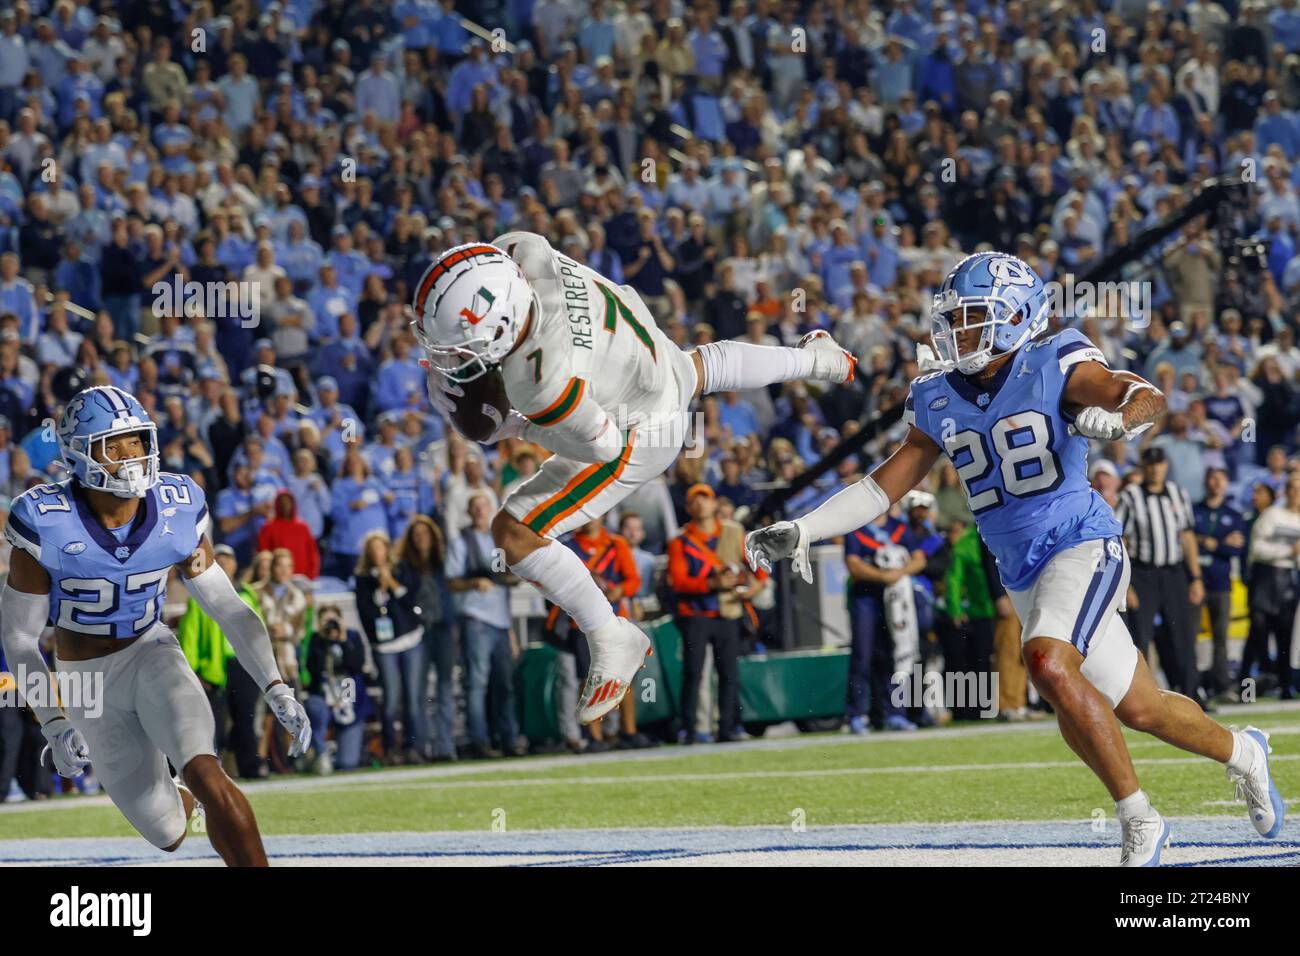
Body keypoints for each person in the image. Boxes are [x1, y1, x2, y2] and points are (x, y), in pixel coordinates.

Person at [746, 252, 1285, 866]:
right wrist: (806, 527)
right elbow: (884, 485)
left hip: (1082, 541)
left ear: (1017, 316)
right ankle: (1244, 752)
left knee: (1048, 665)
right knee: (1141, 707)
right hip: (1022, 568)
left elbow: (1138, 391)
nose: (958, 332)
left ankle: (1140, 818)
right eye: (953, 319)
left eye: (974, 318)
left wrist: (1123, 419)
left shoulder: (1053, 359)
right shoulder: (936, 393)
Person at [417, 233, 855, 726]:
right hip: (638, 342)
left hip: (641, 433)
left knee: (514, 533)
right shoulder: (521, 249)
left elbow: (601, 446)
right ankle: (819, 359)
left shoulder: (537, 382)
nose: (448, 357)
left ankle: (610, 635)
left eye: (456, 348)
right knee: (695, 368)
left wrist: (511, 427)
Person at [0, 386, 309, 865]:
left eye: (138, 441)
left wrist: (275, 685)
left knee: (208, 771)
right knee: (167, 832)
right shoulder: (45, 521)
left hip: (152, 652)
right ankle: (181, 795)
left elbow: (227, 605)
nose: (132, 456)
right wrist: (55, 723)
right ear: (79, 453)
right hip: (86, 681)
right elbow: (20, 638)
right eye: (114, 445)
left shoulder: (177, 506)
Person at [667, 484, 765, 743]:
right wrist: (712, 584)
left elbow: (758, 565)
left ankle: (728, 727)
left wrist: (755, 586)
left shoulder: (733, 531)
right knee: (693, 673)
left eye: (705, 499)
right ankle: (689, 729)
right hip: (696, 614)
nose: (701, 504)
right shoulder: (680, 540)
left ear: (714, 504)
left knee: (729, 674)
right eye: (695, 500)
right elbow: (678, 581)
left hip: (728, 610)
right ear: (688, 508)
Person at [1115, 446, 1202, 701]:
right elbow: (1118, 537)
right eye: (1150, 464)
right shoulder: (1131, 496)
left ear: (1165, 465)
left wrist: (1195, 577)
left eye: (1159, 464)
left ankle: (1191, 693)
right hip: (1143, 574)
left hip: (1173, 572)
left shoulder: (1178, 493)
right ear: (1144, 467)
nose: (1155, 469)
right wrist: (1126, 584)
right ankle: (1140, 697)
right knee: (1140, 635)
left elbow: (1187, 536)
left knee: (1182, 634)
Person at [447, 493, 525, 758]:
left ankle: (508, 739)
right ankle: (479, 741)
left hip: (501, 621)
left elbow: (508, 581)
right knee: (477, 684)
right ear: (470, 512)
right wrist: (474, 584)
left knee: (504, 684)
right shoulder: (461, 541)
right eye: (475, 507)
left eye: (484, 506)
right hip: (476, 618)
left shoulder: (500, 542)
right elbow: (452, 582)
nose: (480, 511)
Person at [354, 529, 428, 765]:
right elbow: (366, 613)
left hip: (410, 639)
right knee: (391, 697)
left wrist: (391, 582)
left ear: (387, 549)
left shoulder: (402, 569)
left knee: (413, 696)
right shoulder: (363, 580)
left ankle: (413, 746)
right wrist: (379, 588)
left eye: (381, 547)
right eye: (373, 549)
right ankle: (389, 748)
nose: (378, 553)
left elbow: (412, 601)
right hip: (384, 646)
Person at [395, 514, 457, 761]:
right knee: (417, 692)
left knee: (445, 688)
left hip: (443, 629)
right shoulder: (403, 567)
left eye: (425, 534)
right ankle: (419, 747)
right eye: (416, 535)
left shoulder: (444, 563)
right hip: (417, 633)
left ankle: (445, 747)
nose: (421, 539)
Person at [1193, 467, 1248, 702]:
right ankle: (1192, 685)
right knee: (1190, 635)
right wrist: (1216, 543)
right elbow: (1185, 540)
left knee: (1220, 637)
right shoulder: (1194, 510)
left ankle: (1222, 686)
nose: (1215, 483)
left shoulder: (1233, 514)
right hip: (1194, 582)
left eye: (1220, 479)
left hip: (1220, 583)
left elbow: (1236, 548)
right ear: (1206, 482)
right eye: (1211, 478)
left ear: (1226, 483)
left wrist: (1207, 542)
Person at [1245, 472, 1300, 701]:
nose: (1296, 493)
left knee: (1285, 635)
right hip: (1266, 577)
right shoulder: (1272, 515)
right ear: (1285, 491)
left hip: (1289, 578)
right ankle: (1247, 685)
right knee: (1258, 632)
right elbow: (1256, 549)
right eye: (1292, 488)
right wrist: (1288, 551)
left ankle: (1286, 685)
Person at [303, 604, 369, 773]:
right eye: (326, 621)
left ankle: (337, 753)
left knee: (347, 763)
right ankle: (320, 752)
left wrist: (343, 639)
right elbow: (314, 671)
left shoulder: (352, 636)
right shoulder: (315, 640)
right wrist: (324, 641)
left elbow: (356, 666)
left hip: (348, 692)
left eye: (334, 620)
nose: (331, 625)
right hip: (324, 693)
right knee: (315, 707)